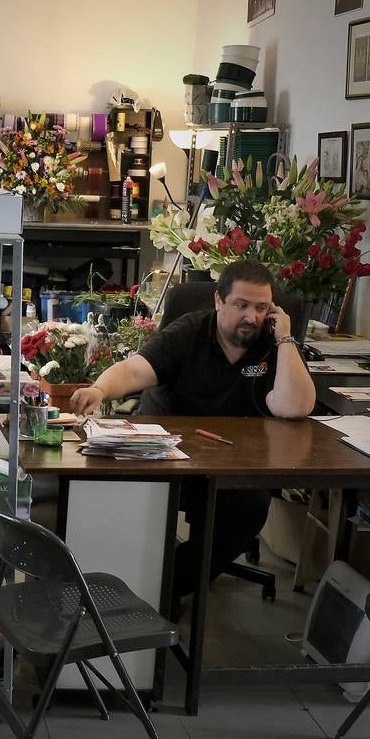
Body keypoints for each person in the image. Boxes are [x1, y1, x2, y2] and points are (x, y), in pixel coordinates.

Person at [70, 260, 316, 608]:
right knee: (126, 499)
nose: (251, 317)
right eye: (241, 305)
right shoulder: (190, 330)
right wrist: (100, 389)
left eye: (262, 308)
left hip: (232, 459)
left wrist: (286, 337)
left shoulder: (271, 343)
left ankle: (160, 590)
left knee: (248, 508)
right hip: (167, 450)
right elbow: (135, 369)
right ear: (219, 301)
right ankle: (132, 586)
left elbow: (294, 406)